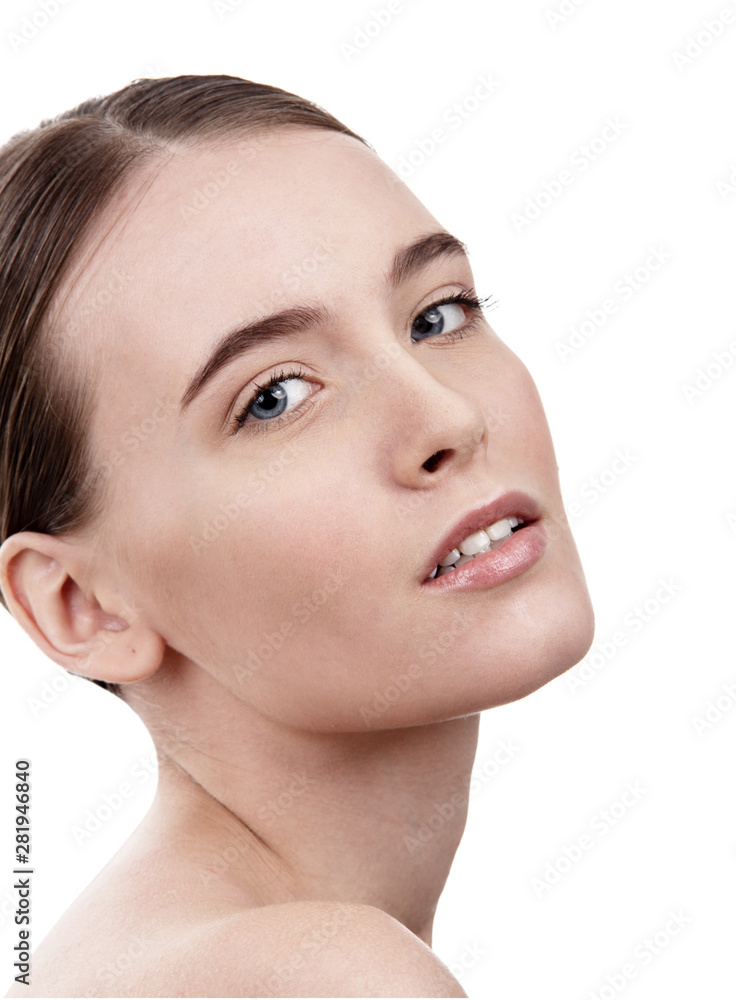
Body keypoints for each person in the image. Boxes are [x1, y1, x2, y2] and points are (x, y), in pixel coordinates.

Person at [0, 74, 595, 998]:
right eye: (274, 398)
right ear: (80, 604)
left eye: (437, 316)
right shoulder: (325, 977)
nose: (447, 417)